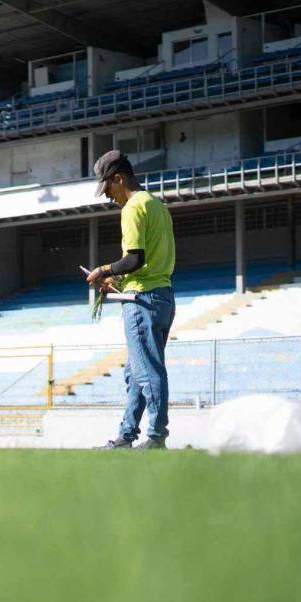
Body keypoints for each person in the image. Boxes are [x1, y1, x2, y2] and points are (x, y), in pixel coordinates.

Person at [86, 150, 177, 450]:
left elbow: (134, 259)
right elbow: (148, 261)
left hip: (142, 302)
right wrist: (116, 281)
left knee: (147, 370)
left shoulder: (132, 208)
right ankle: (126, 436)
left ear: (118, 178)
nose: (109, 196)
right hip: (163, 297)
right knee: (136, 371)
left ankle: (156, 436)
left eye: (108, 188)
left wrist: (103, 270)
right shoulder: (157, 205)